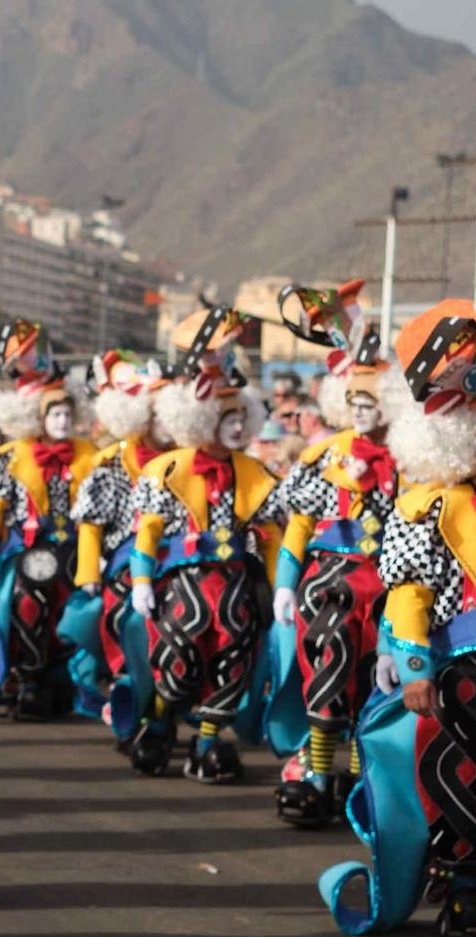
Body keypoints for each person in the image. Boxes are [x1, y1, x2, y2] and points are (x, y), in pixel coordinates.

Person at [322, 300, 476, 937]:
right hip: (465, 673)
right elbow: (409, 592)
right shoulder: (430, 507)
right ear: (469, 447)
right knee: (463, 771)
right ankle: (468, 887)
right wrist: (412, 666)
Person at [126, 306, 283, 782]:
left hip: (235, 585)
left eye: (240, 415)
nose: (235, 425)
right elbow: (149, 530)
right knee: (177, 654)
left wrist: (281, 588)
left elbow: (271, 537)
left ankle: (210, 742)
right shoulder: (166, 470)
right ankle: (157, 722)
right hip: (184, 581)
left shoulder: (257, 474)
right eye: (224, 415)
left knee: (232, 659)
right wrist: (140, 579)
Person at [266, 281, 402, 826]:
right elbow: (299, 522)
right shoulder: (323, 454)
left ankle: (375, 777)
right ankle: (318, 771)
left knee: (383, 683)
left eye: (372, 401)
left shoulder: (408, 458)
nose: (362, 411)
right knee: (327, 658)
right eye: (355, 401)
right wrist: (283, 578)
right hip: (331, 578)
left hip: (392, 584)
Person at [0, 320, 98, 720]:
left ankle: (65, 680)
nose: (63, 422)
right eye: (55, 415)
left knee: (73, 611)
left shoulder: (90, 455)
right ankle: (28, 678)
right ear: (38, 417)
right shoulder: (12, 454)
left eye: (68, 414)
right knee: (23, 608)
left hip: (72, 549)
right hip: (28, 548)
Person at [69, 351, 172, 749]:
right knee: (122, 623)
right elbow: (91, 528)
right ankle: (129, 696)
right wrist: (88, 578)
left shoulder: (185, 461)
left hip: (178, 561)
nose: (162, 422)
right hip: (123, 567)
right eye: (154, 412)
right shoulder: (109, 464)